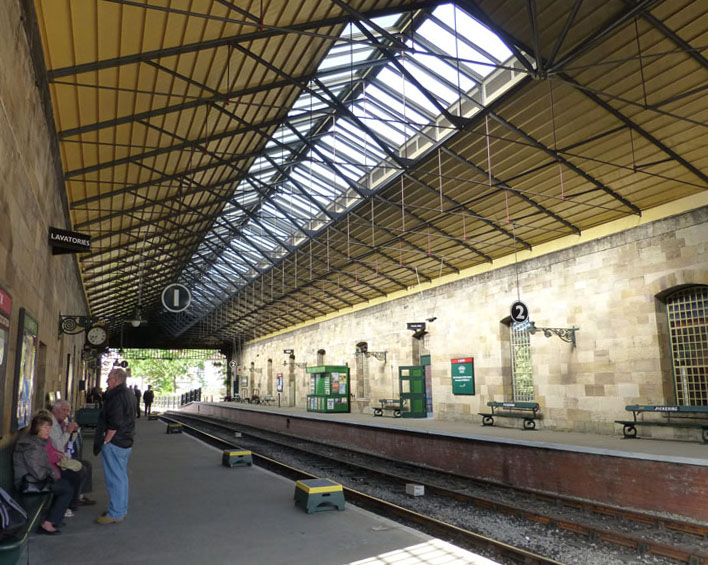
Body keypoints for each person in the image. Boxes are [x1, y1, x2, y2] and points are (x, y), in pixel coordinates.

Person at [13, 413, 74, 534]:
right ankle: (48, 523)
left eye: (49, 427)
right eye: (45, 427)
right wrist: (53, 473)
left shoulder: (36, 441)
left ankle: (54, 517)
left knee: (65, 484)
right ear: (37, 428)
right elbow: (39, 473)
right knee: (66, 489)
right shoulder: (32, 446)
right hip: (28, 482)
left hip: (32, 479)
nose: (48, 431)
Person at [94, 367, 136, 525]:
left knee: (114, 479)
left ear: (116, 380)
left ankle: (115, 513)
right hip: (126, 441)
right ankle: (120, 509)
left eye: (109, 378)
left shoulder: (116, 396)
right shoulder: (129, 394)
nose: (107, 381)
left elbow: (115, 422)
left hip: (115, 442)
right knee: (121, 477)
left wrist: (106, 441)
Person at [49, 400, 95, 507]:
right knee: (80, 470)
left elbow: (70, 442)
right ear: (55, 410)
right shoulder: (51, 425)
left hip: (63, 457)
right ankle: (72, 502)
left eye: (68, 411)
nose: (66, 413)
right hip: (54, 461)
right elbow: (59, 447)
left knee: (87, 465)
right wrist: (68, 432)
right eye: (63, 410)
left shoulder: (61, 423)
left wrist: (74, 432)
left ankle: (79, 495)